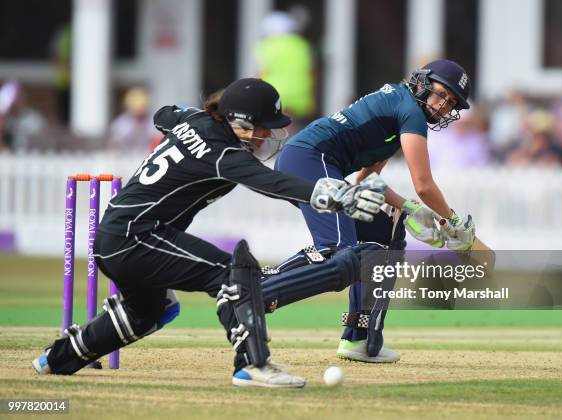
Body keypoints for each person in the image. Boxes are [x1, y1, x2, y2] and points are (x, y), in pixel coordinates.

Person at [31, 78, 387, 388]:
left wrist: (192, 119)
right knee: (234, 273)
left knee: (151, 311)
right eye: (264, 126)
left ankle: (57, 359)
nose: (268, 135)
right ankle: (252, 365)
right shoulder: (224, 154)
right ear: (241, 123)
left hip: (118, 234)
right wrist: (329, 196)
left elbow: (163, 114)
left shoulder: (194, 120)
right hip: (136, 237)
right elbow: (272, 183)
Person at [274, 59, 477, 362]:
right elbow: (423, 184)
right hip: (308, 160)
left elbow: (367, 179)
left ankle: (360, 338)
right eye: (441, 94)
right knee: (337, 250)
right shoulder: (410, 112)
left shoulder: (400, 108)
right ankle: (257, 287)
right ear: (423, 82)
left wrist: (409, 209)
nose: (443, 106)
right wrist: (454, 222)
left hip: (311, 162)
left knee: (382, 234)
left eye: (451, 103)